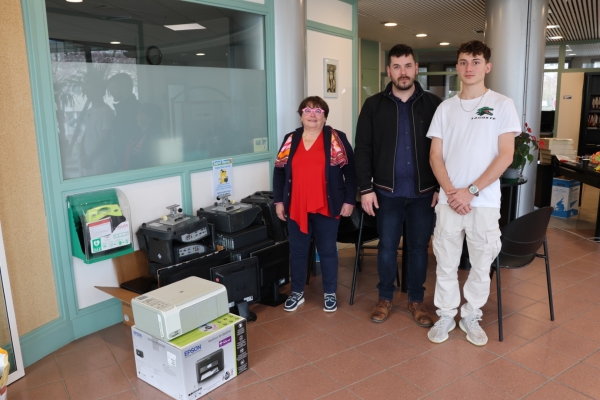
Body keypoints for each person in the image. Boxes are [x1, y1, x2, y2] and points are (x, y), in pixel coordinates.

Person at [426, 40, 521, 346]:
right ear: (458, 66)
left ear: (487, 67)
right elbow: (435, 156)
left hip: (485, 202)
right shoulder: (445, 108)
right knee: (446, 262)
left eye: (476, 62)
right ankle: (445, 314)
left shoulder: (502, 105)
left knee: (481, 264)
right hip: (449, 201)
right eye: (464, 62)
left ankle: (471, 314)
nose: (469, 68)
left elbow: (506, 155)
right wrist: (453, 193)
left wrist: (471, 191)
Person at [354, 44, 442, 326]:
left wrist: (442, 186)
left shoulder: (434, 105)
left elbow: (445, 150)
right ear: (388, 71)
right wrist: (365, 189)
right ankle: (385, 298)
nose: (402, 72)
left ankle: (416, 301)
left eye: (407, 66)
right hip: (386, 193)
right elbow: (363, 149)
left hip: (424, 193)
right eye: (396, 66)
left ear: (416, 68)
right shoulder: (373, 106)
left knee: (418, 249)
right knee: (387, 247)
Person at [273, 96, 357, 313]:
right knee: (298, 251)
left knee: (328, 250)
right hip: (296, 205)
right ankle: (297, 293)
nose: (312, 115)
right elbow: (280, 171)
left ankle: (330, 293)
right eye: (308, 111)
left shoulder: (336, 139)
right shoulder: (290, 139)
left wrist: (349, 200)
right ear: (301, 115)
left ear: (325, 116)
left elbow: (350, 172)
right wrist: (279, 201)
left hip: (326, 205)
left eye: (318, 111)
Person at [107, 72, 141, 170]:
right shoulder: (123, 109)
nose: (110, 91)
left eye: (113, 87)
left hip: (129, 166)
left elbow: (131, 142)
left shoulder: (134, 111)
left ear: (124, 88)